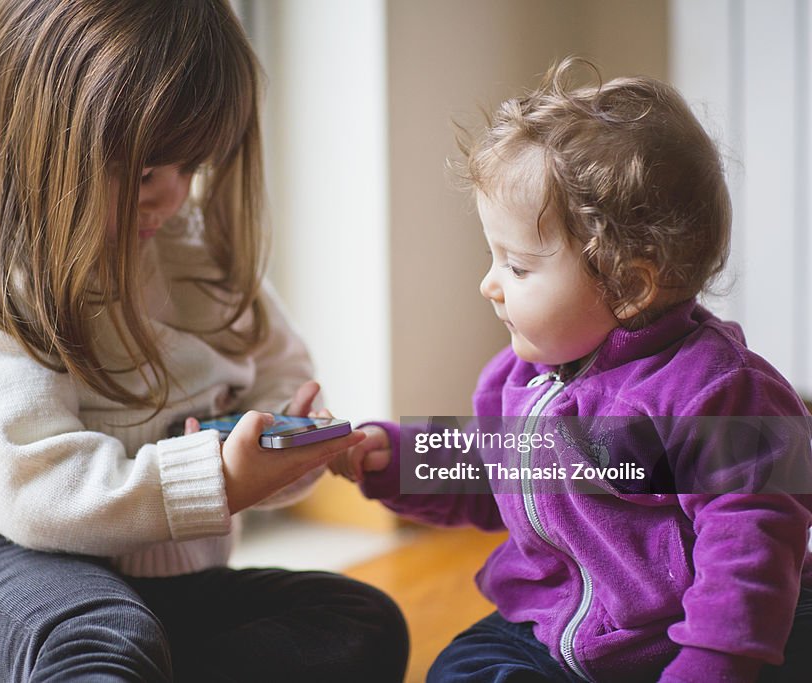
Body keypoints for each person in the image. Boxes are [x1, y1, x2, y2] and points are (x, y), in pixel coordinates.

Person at [0, 1, 408, 681]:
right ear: (39, 139)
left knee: (363, 622)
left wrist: (288, 441)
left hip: (169, 582)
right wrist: (215, 478)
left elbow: (282, 373)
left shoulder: (191, 245)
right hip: (11, 571)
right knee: (103, 639)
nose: (171, 198)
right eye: (142, 174)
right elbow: (36, 488)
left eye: (190, 168)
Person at [330, 56, 812, 683]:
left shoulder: (718, 392)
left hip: (682, 639)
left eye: (518, 267)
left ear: (628, 285)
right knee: (460, 670)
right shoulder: (520, 377)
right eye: (492, 257)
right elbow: (490, 468)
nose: (488, 285)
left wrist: (712, 664)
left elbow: (750, 546)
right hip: (549, 630)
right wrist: (393, 458)